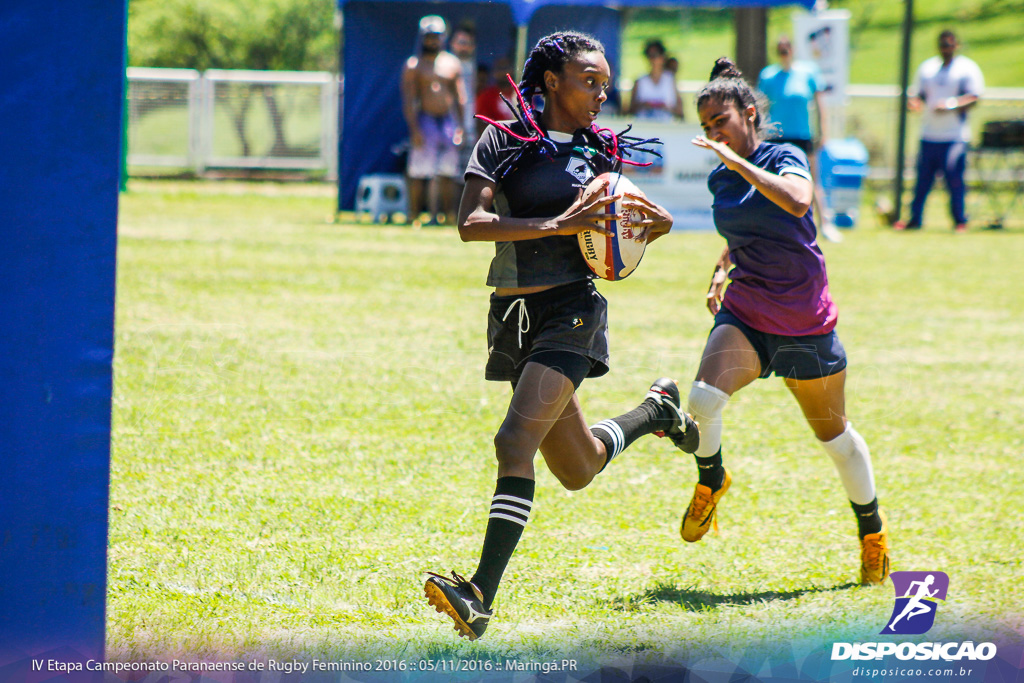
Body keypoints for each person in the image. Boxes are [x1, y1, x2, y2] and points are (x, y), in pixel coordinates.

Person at [423, 31, 700, 641]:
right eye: (588, 81)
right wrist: (557, 221)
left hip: (573, 312)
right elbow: (471, 225)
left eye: (605, 83)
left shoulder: (601, 155)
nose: (602, 93)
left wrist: (654, 225)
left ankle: (478, 596)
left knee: (513, 441)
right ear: (551, 81)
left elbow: (620, 238)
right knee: (577, 467)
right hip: (514, 316)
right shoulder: (505, 138)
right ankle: (656, 413)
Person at [681, 57, 891, 586]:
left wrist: (735, 161)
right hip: (748, 310)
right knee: (704, 398)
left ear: (748, 113)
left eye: (720, 123)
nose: (713, 134)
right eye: (706, 128)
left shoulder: (784, 156)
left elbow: (797, 202)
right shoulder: (721, 180)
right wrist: (721, 268)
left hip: (802, 319)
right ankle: (713, 478)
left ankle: (872, 532)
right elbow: (744, 233)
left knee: (834, 438)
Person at [895, 30, 984, 233]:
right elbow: (917, 95)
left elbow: (975, 96)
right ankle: (915, 220)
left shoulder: (966, 68)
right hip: (929, 134)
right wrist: (914, 104)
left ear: (957, 45)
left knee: (954, 178)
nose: (946, 48)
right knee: (922, 182)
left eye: (950, 45)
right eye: (943, 45)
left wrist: (951, 105)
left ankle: (960, 220)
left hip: (955, 135)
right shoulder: (927, 68)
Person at [758, 36, 840, 243]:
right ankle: (774, 225)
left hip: (802, 135)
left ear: (793, 50)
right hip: (776, 137)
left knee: (812, 180)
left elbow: (820, 104)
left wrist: (823, 131)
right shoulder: (768, 76)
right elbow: (762, 107)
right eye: (780, 50)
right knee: (773, 183)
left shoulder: (808, 73)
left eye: (786, 49)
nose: (784, 53)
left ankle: (825, 224)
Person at [401, 15, 466, 226]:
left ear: (443, 38)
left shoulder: (452, 63)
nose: (432, 41)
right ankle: (414, 214)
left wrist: (461, 127)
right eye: (429, 37)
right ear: (422, 38)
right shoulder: (413, 65)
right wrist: (414, 129)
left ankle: (447, 215)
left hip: (447, 121)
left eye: (436, 36)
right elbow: (409, 100)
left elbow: (459, 97)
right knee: (419, 170)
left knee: (448, 170)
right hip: (425, 119)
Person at [629, 39, 683, 122]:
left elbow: (680, 111)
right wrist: (643, 105)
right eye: (649, 56)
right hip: (643, 126)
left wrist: (665, 107)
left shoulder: (670, 80)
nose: (652, 60)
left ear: (662, 57)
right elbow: (629, 110)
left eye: (655, 55)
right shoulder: (640, 81)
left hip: (666, 126)